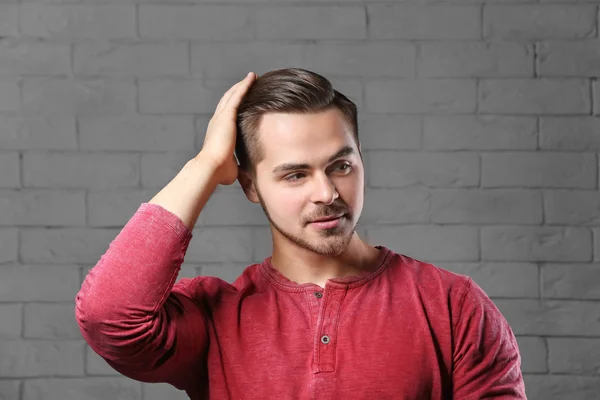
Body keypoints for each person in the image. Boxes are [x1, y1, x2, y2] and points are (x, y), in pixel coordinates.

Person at [75, 68, 526, 399]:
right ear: (250, 185)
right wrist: (206, 167)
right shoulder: (213, 319)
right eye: (295, 175)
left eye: (341, 166)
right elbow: (108, 316)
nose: (327, 192)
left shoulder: (453, 306)